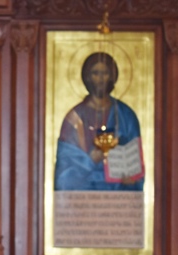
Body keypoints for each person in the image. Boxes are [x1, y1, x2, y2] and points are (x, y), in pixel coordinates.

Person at [54, 52, 144, 191]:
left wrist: (132, 179)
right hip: (83, 197)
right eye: (95, 73)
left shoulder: (126, 115)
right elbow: (64, 176)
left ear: (112, 77)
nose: (100, 79)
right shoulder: (75, 118)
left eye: (105, 73)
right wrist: (89, 161)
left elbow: (135, 165)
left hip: (118, 197)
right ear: (87, 77)